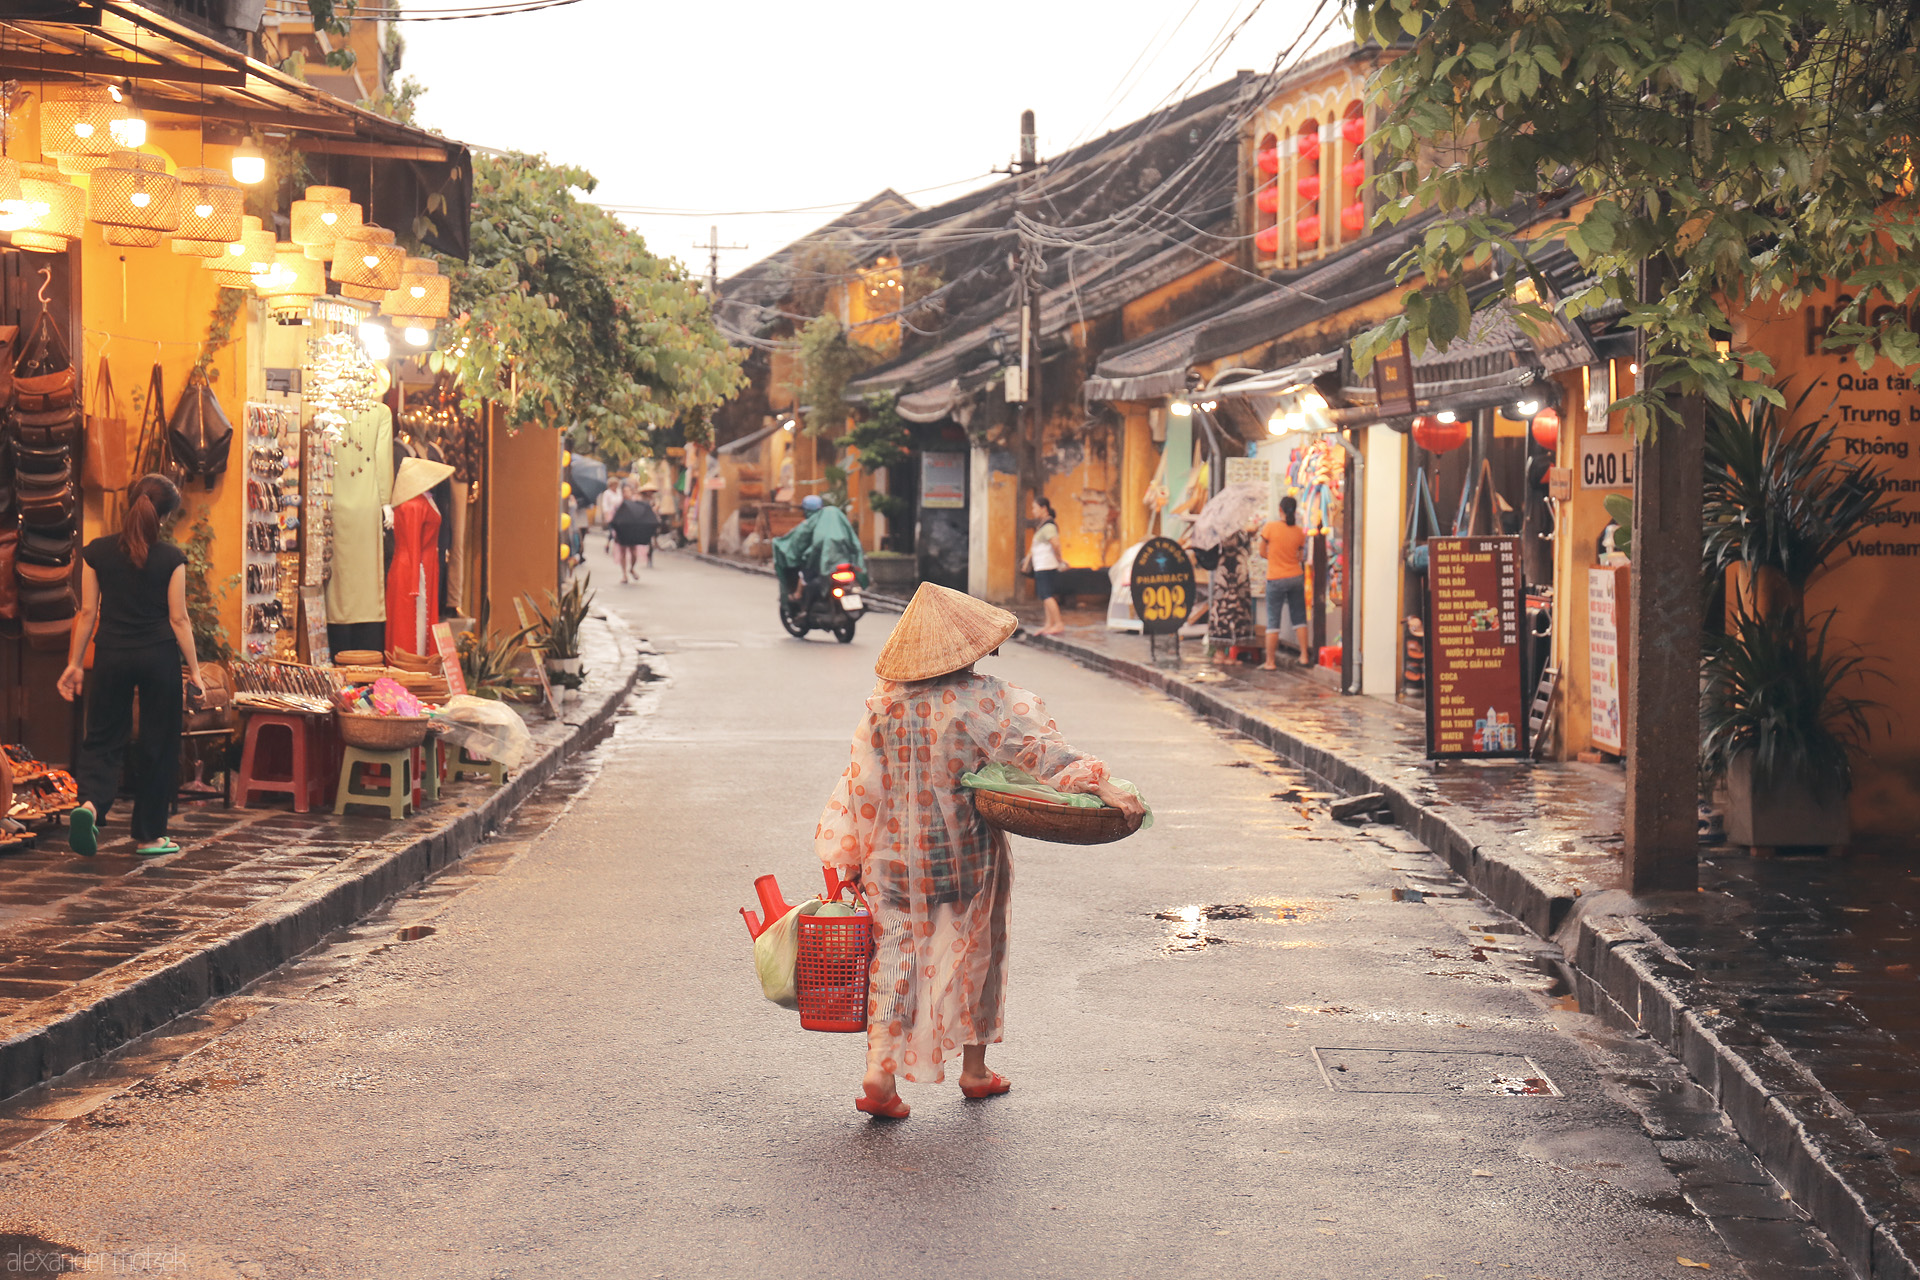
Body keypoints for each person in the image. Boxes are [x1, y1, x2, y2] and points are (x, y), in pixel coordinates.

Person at [816, 583, 1145, 1119]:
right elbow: (1042, 753)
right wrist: (1103, 785)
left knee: (895, 959)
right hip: (965, 856)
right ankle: (974, 1072)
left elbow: (858, 786)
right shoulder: (986, 700)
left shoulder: (882, 707)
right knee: (976, 956)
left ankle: (880, 1073)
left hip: (892, 859)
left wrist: (848, 859)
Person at [57, 473, 202, 857]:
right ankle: (149, 836)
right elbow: (179, 620)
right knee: (158, 742)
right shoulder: (172, 558)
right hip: (158, 657)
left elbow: (88, 611)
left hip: (111, 656)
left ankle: (89, 805)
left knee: (103, 737)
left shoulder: (96, 553)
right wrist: (197, 673)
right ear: (166, 517)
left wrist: (74, 663)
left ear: (130, 504)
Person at [1260, 495, 1310, 670]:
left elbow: (1262, 552)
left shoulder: (1270, 528)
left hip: (1275, 578)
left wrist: (1274, 559)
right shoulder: (1299, 532)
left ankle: (1270, 662)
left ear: (1279, 509)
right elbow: (1300, 557)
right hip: (1295, 576)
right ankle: (1304, 656)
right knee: (1299, 617)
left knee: (1273, 620)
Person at [1205, 528, 1257, 660]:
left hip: (1238, 575)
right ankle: (1220, 652)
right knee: (1223, 610)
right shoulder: (1221, 531)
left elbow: (1248, 551)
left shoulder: (1239, 531)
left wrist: (1248, 536)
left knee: (1237, 611)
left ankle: (1230, 652)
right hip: (1225, 576)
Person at [1021, 496, 1065, 635]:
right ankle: (1049, 624)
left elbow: (1056, 543)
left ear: (1043, 508)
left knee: (1047, 595)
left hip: (1046, 565)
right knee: (1045, 595)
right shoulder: (1043, 525)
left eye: (1035, 507)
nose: (1033, 511)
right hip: (1041, 565)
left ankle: (1058, 623)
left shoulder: (1049, 526)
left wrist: (1059, 559)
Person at [610, 482, 660, 584]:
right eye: (624, 491)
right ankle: (624, 574)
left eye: (628, 491)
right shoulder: (618, 503)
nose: (626, 493)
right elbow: (613, 516)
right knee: (623, 552)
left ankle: (631, 568)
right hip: (622, 529)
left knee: (633, 551)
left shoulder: (637, 502)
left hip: (633, 529)